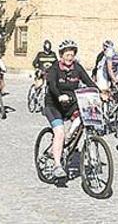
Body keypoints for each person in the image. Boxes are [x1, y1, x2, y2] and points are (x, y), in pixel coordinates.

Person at [43, 39, 97, 179]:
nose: (70, 58)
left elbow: (89, 82)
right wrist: (60, 95)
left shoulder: (77, 68)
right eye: (67, 55)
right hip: (53, 105)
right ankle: (57, 165)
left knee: (82, 118)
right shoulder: (54, 68)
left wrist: (99, 92)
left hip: (71, 104)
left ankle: (68, 138)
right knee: (59, 132)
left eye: (72, 55)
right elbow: (52, 85)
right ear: (61, 55)